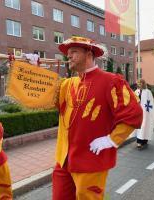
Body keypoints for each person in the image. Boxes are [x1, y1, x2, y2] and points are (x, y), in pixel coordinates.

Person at [53, 36, 143, 200]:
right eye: (68, 53)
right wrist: (32, 67)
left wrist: (111, 140)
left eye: (73, 52)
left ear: (88, 54)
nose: (69, 56)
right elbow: (41, 99)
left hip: (91, 159)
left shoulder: (112, 81)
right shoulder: (67, 84)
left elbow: (134, 114)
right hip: (63, 158)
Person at [135, 79, 154, 150]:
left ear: (143, 84)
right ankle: (139, 141)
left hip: (146, 112)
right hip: (138, 112)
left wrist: (148, 111)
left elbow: (150, 103)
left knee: (145, 126)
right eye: (138, 83)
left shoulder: (148, 92)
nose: (139, 84)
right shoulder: (136, 91)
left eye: (140, 83)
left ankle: (144, 140)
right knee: (140, 126)